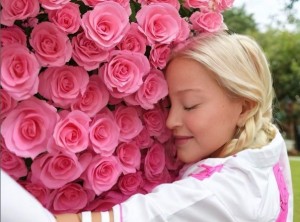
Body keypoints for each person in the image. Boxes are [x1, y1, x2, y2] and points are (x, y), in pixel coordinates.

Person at [2, 30, 293, 222]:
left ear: (245, 107)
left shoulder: (220, 195)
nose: (170, 121)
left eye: (190, 105)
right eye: (168, 105)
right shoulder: (264, 148)